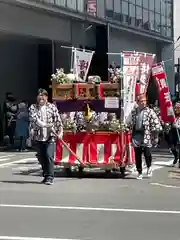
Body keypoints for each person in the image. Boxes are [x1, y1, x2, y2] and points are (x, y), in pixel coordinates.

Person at [29, 88, 63, 185]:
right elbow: (34, 119)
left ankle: (49, 176)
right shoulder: (33, 107)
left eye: (43, 95)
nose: (41, 97)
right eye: (39, 95)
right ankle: (45, 174)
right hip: (38, 136)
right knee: (41, 157)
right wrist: (45, 125)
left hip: (50, 136)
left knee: (49, 155)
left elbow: (58, 120)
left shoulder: (52, 107)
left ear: (46, 97)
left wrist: (60, 132)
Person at [131, 94, 162, 179]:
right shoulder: (134, 111)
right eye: (141, 101)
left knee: (147, 153)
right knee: (137, 155)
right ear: (138, 102)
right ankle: (139, 172)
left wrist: (155, 136)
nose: (143, 103)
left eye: (144, 101)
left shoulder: (150, 111)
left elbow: (156, 123)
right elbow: (130, 122)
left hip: (146, 134)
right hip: (137, 134)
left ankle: (149, 167)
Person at [169, 102, 180, 167]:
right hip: (173, 131)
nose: (177, 109)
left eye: (178, 108)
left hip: (179, 131)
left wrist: (178, 126)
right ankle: (176, 155)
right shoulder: (173, 115)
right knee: (172, 147)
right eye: (176, 108)